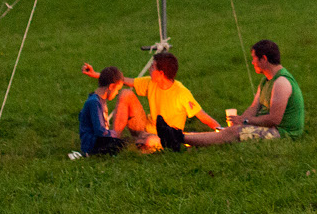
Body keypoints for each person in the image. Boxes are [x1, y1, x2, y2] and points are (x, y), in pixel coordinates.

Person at [155, 39, 304, 151]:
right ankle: (177, 136)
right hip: (273, 129)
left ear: (264, 59)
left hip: (284, 133)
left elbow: (275, 119)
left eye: (254, 58)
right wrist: (240, 121)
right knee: (230, 130)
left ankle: (176, 137)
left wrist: (245, 123)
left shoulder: (281, 83)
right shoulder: (266, 81)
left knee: (233, 132)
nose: (252, 62)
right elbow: (254, 107)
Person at [80, 52, 221, 151]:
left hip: (164, 136)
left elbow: (202, 115)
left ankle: (137, 144)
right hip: (145, 127)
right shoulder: (151, 82)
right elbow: (123, 82)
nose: (149, 68)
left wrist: (221, 132)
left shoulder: (181, 93)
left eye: (152, 67)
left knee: (149, 141)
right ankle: (113, 141)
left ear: (161, 73)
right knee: (126, 93)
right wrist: (97, 74)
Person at [72, 66, 133, 159]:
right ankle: (89, 154)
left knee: (124, 142)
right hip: (92, 143)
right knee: (123, 143)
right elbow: (100, 130)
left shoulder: (99, 100)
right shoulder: (94, 102)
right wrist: (114, 134)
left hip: (97, 139)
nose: (117, 93)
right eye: (117, 90)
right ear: (111, 86)